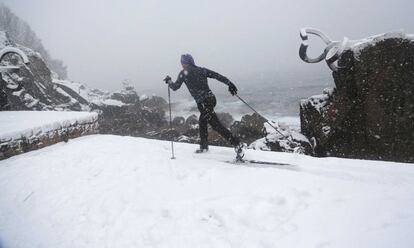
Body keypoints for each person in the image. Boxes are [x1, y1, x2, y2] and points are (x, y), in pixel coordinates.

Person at [164, 54, 244, 157]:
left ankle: (237, 144)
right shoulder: (202, 70)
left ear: (186, 63)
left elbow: (175, 87)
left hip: (203, 103)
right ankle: (204, 146)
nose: (182, 65)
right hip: (211, 99)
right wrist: (230, 84)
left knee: (216, 125)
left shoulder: (183, 73)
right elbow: (217, 76)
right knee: (202, 122)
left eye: (183, 62)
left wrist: (169, 81)